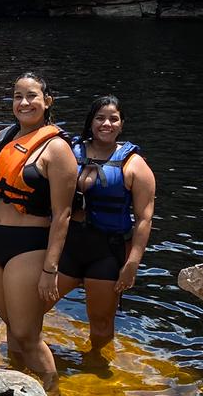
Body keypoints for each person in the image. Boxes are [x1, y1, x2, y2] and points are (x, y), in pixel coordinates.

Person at [0, 71, 78, 390]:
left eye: (32, 96)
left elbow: (63, 215)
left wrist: (50, 270)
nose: (24, 102)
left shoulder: (57, 150)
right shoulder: (3, 138)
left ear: (47, 101)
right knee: (11, 330)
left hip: (28, 247)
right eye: (18, 96)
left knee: (28, 336)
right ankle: (22, 393)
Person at [52, 94, 156, 353]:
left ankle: (96, 369)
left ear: (121, 124)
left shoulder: (134, 165)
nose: (106, 124)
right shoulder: (70, 151)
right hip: (69, 244)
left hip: (106, 251)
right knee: (34, 305)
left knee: (100, 322)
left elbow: (144, 219)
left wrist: (132, 264)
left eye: (113, 119)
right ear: (91, 122)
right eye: (100, 118)